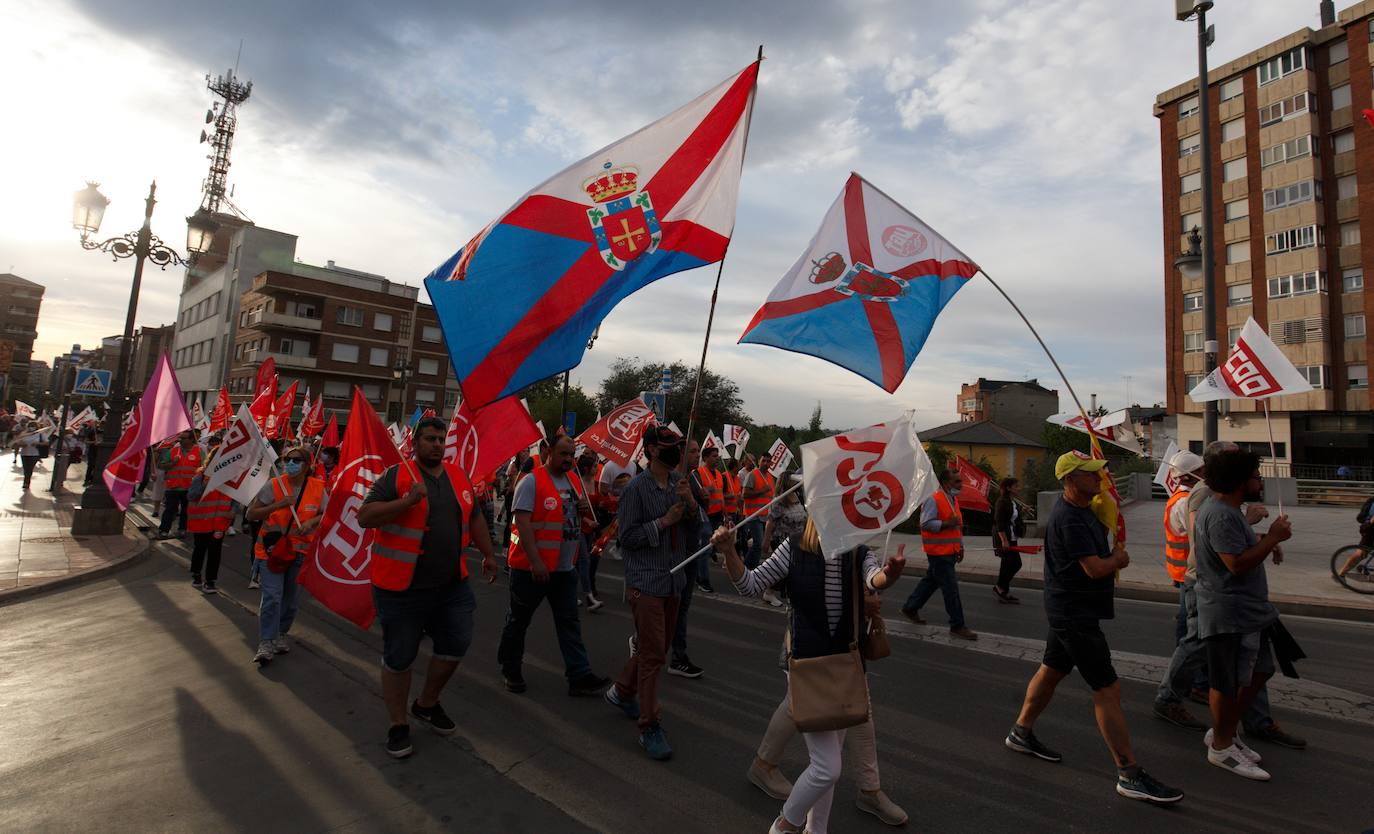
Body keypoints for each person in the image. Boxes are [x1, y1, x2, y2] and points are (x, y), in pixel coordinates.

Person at [1004, 451, 1183, 804]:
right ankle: (1129, 773)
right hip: (1074, 612)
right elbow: (1094, 569)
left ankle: (1021, 732)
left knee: (1053, 669)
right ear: (1071, 480)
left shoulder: (1083, 511)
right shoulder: (1069, 518)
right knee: (1107, 688)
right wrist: (1118, 559)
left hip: (1069, 608)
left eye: (1099, 471)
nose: (1100, 476)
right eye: (1091, 473)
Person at [714, 519, 907, 834]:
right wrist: (729, 552)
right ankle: (784, 825)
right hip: (807, 669)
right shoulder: (793, 548)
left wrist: (892, 573)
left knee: (827, 766)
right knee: (827, 767)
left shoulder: (856, 552)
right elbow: (750, 585)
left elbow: (875, 579)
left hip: (844, 668)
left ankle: (816, 830)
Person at [358, 417, 498, 758]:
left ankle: (427, 703)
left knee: (456, 643)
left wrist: (489, 554)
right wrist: (406, 502)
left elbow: (475, 516)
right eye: (430, 439)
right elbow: (365, 516)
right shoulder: (396, 476)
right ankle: (398, 724)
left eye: (440, 439)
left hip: (452, 586)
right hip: (401, 589)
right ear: (415, 443)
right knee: (400, 657)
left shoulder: (459, 476)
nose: (436, 444)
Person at [1152, 443, 1304, 749]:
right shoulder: (1205, 497)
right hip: (1206, 587)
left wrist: (1260, 538)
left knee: (1248, 665)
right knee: (1207, 654)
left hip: (1232, 597)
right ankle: (1188, 711)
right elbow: (1207, 540)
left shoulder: (1222, 503)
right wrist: (1260, 530)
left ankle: (1251, 722)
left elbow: (1230, 542)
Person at [746, 583, 908, 828]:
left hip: (842, 649)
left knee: (853, 712)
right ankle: (789, 817)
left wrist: (878, 580)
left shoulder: (852, 550)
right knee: (824, 752)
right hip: (812, 649)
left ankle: (863, 792)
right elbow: (767, 582)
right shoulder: (804, 547)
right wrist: (857, 603)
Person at [1193, 448, 1292, 780]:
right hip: (1228, 612)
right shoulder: (1220, 513)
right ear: (1239, 481)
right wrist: (1274, 537)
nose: (1260, 482)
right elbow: (1234, 564)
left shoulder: (1232, 512)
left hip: (1249, 611)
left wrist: (1264, 540)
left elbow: (1238, 548)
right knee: (1228, 680)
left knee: (1259, 671)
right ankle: (1221, 747)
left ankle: (1227, 733)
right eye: (1255, 476)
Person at [603, 424, 699, 761]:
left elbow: (696, 525)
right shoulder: (636, 490)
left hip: (674, 579)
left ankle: (622, 691)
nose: (676, 450)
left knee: (653, 647)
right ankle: (649, 725)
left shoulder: (678, 483)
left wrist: (689, 505)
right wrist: (663, 522)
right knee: (654, 654)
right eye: (669, 445)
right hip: (646, 581)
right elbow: (626, 538)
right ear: (652, 450)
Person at [496, 435, 610, 696]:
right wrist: (536, 562)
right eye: (563, 454)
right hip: (531, 570)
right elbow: (523, 524)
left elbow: (565, 519)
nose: (569, 459)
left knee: (569, 623)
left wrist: (584, 514)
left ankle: (579, 676)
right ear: (548, 451)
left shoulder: (572, 480)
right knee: (518, 621)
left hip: (563, 570)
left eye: (572, 454)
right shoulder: (531, 481)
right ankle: (510, 669)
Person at [246, 446, 325, 665]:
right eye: (287, 459)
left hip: (299, 553)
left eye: (296, 460)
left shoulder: (318, 488)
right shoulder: (274, 485)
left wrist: (311, 521)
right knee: (272, 596)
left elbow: (326, 513)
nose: (290, 463)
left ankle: (281, 633)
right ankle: (266, 642)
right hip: (271, 553)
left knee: (290, 601)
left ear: (307, 465)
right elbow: (251, 514)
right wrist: (278, 505)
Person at [899, 468, 977, 639]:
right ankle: (957, 625)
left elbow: (957, 527)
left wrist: (960, 547)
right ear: (946, 482)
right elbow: (925, 523)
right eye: (957, 481)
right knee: (951, 589)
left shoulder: (952, 499)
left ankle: (910, 607)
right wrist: (946, 523)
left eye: (960, 481)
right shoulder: (933, 498)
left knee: (931, 581)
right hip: (938, 553)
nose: (960, 484)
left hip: (949, 551)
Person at [667, 438, 710, 680]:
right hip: (678, 554)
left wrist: (702, 497)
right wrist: (694, 502)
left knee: (680, 607)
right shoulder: (675, 480)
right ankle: (675, 656)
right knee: (672, 606)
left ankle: (675, 654)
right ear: (681, 454)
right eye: (693, 451)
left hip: (693, 550)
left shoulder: (693, 477)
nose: (698, 455)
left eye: (698, 451)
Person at [187, 453, 234, 595]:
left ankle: (210, 581)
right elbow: (191, 496)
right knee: (200, 550)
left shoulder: (230, 478)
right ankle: (196, 575)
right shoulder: (200, 477)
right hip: (201, 522)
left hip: (219, 522)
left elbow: (235, 498)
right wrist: (203, 487)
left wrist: (233, 511)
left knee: (215, 552)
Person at [692, 444, 726, 593]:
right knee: (704, 549)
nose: (717, 458)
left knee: (702, 549)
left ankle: (693, 575)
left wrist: (725, 514)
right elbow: (698, 494)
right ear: (705, 458)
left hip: (716, 516)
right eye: (713, 455)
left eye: (717, 455)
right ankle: (703, 580)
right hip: (703, 515)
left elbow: (721, 496)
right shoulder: (697, 473)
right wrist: (706, 491)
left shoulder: (719, 474)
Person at [157, 431, 202, 539]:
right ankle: (163, 531)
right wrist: (172, 463)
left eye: (184, 438)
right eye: (180, 438)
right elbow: (161, 466)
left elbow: (203, 468)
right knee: (169, 510)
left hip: (189, 488)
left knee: (186, 511)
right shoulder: (173, 451)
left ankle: (182, 529)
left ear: (191, 439)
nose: (180, 440)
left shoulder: (199, 452)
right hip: (173, 487)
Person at [992, 477, 1025, 603]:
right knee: (1014, 563)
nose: (1018, 488)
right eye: (1016, 486)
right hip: (1004, 538)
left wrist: (1023, 512)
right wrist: (1004, 540)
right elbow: (999, 522)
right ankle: (1000, 588)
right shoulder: (1002, 502)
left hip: (1012, 537)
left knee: (1007, 564)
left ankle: (1002, 590)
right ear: (1009, 488)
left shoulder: (1012, 501)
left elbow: (1013, 518)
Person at [741, 453, 776, 569]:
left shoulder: (770, 477)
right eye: (763, 461)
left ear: (771, 463)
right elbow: (744, 494)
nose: (766, 463)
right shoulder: (752, 475)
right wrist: (762, 491)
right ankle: (746, 569)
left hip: (765, 517)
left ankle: (749, 569)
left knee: (758, 544)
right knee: (758, 543)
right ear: (759, 462)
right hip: (754, 515)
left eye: (768, 461)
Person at [763, 485, 807, 554]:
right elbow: (770, 521)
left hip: (798, 541)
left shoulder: (796, 495)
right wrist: (766, 541)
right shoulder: (779, 499)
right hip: (783, 542)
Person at [15, 426, 43, 490]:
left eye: (33, 425)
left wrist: (38, 443)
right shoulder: (24, 434)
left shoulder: (40, 434)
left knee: (30, 468)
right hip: (24, 454)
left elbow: (46, 443)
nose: (32, 427)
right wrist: (21, 444)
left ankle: (26, 483)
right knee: (25, 468)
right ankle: (26, 481)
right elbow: (17, 442)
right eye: (31, 425)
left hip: (34, 454)